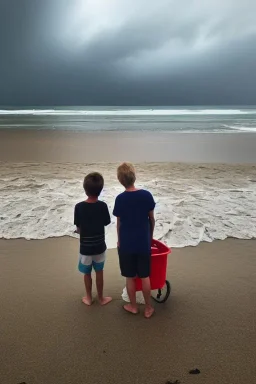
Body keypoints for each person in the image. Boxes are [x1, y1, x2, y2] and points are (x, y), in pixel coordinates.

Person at [113, 162, 156, 318]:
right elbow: (151, 219)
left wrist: (119, 241)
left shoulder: (120, 199)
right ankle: (148, 308)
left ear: (120, 180)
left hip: (126, 244)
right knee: (145, 276)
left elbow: (119, 223)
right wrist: (149, 237)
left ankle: (133, 306)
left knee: (129, 276)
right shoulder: (146, 195)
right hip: (143, 243)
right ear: (134, 176)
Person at [74, 172, 112, 306]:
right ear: (100, 191)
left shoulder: (78, 207)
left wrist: (80, 229)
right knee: (99, 272)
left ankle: (89, 298)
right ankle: (101, 298)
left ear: (85, 189)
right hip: (100, 246)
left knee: (87, 273)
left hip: (85, 248)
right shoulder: (102, 206)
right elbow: (106, 222)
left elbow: (78, 228)